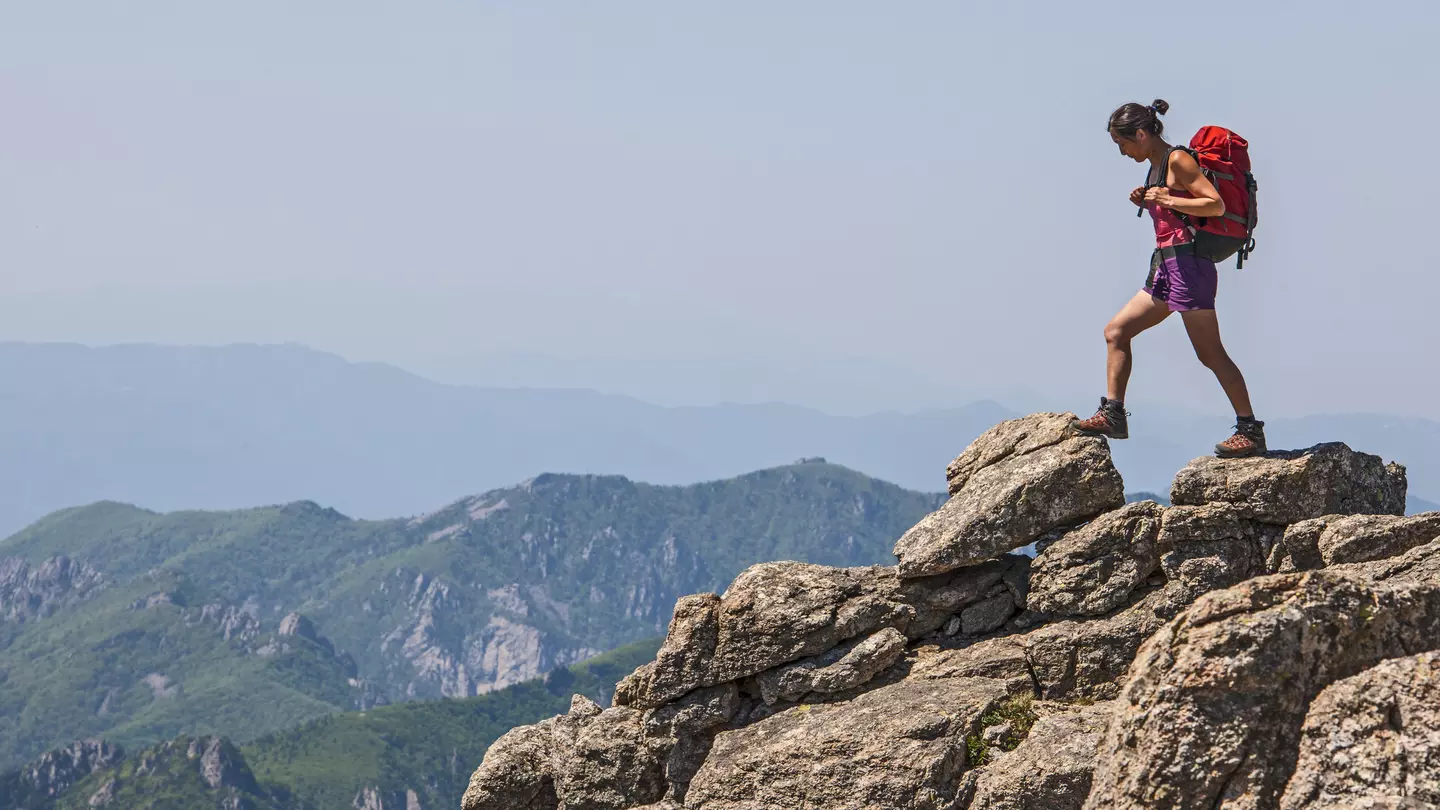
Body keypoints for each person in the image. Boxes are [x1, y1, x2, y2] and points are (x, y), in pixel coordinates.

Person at [1070, 99, 1266, 458]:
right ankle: (1114, 414)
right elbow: (1171, 208)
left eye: (1123, 143)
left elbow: (1215, 204)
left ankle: (1250, 429)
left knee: (1210, 354)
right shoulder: (1156, 165)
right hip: (1165, 267)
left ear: (1141, 134)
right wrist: (1148, 200)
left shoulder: (1178, 160)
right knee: (1117, 332)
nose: (1123, 152)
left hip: (1189, 267)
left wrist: (1166, 199)